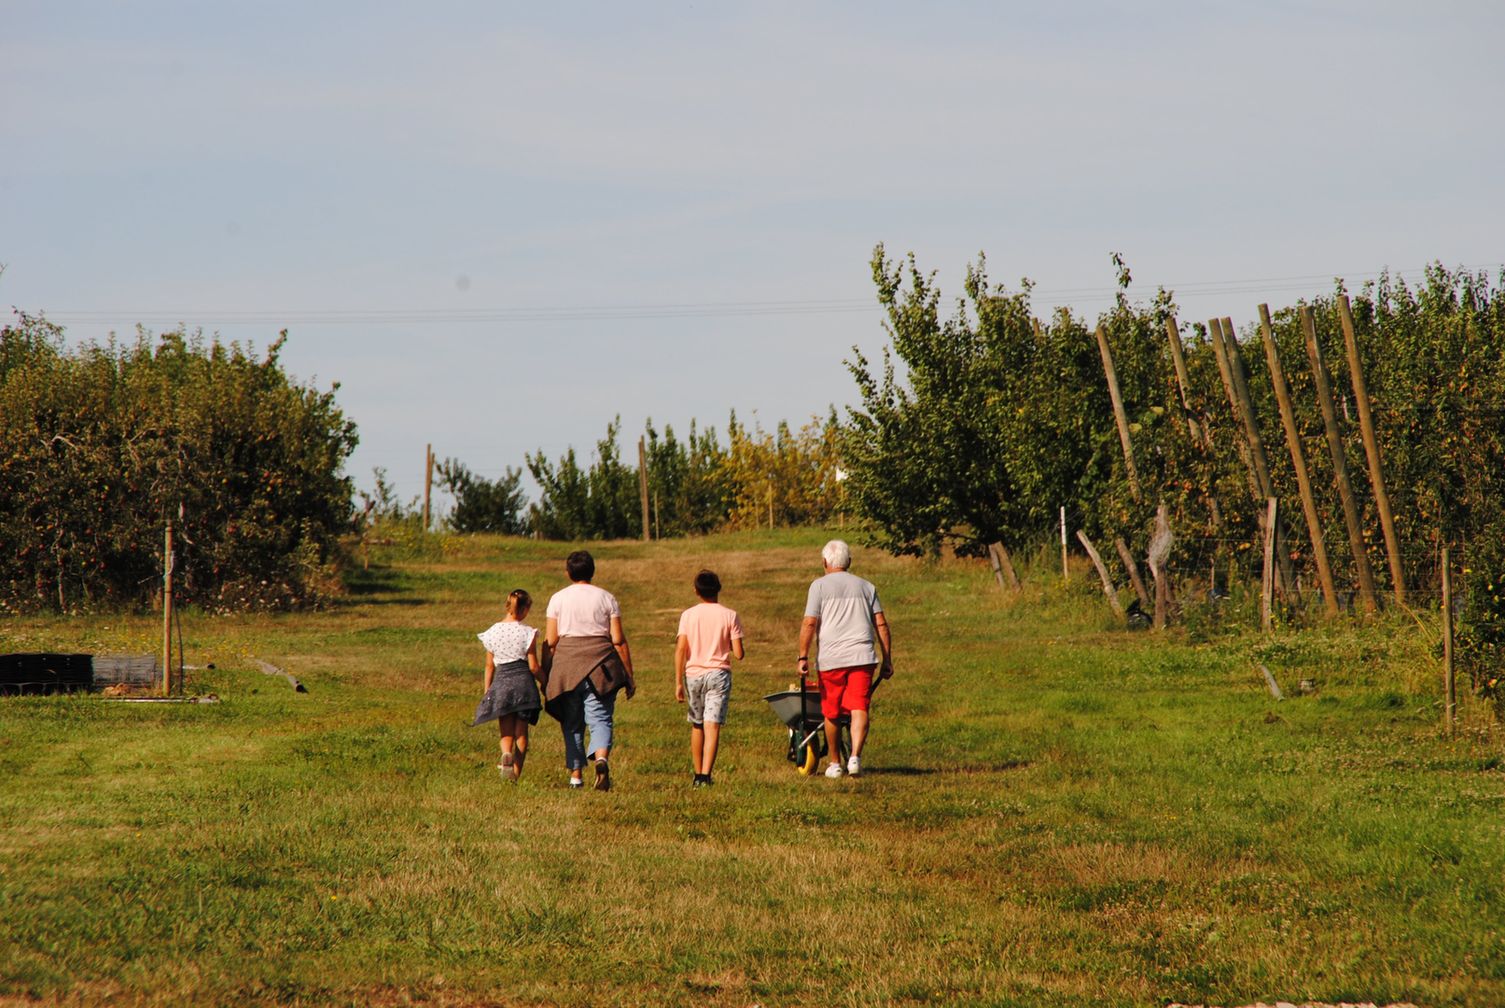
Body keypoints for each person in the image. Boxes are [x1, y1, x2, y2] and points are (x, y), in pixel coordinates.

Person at [798, 539, 893, 778]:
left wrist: (802, 656)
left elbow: (809, 623)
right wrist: (887, 658)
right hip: (863, 656)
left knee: (831, 712)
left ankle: (834, 763)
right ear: (849, 562)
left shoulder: (818, 587)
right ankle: (855, 758)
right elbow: (881, 624)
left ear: (824, 562)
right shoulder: (867, 587)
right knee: (859, 706)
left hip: (831, 658)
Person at [542, 550, 635, 790]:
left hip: (567, 667)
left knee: (572, 722)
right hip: (601, 666)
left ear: (568, 572)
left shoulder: (558, 599)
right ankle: (601, 759)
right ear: (592, 571)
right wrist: (629, 675)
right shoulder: (607, 598)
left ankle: (576, 776)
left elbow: (551, 641)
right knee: (600, 718)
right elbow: (618, 640)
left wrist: (546, 675)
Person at [674, 569, 744, 787]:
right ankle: (706, 775)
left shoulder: (688, 615)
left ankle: (697, 775)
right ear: (718, 589)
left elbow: (681, 649)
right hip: (718, 675)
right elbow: (739, 653)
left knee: (697, 724)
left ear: (696, 591)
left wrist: (678, 682)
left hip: (693, 675)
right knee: (712, 725)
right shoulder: (730, 615)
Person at [472, 589, 545, 782]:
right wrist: (546, 682)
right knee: (521, 733)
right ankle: (516, 774)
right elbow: (534, 667)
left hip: (502, 683)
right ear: (525, 609)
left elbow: (489, 666)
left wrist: (488, 690)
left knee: (506, 731)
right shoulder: (528, 632)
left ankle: (506, 753)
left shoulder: (493, 632)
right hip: (524, 685)